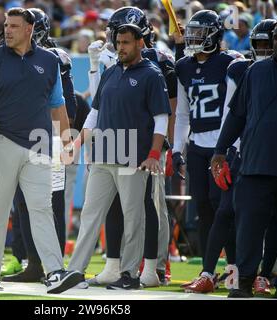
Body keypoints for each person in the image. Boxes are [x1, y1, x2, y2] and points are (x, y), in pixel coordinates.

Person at [0, 7, 82, 293]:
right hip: (1, 142)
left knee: (41, 208)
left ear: (29, 29)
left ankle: (54, 271)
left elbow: (58, 105)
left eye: (14, 25)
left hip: (40, 145)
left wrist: (66, 142)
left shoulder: (48, 61)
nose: (8, 30)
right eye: (6, 25)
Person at [68, 23, 171, 290]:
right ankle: (75, 271)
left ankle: (130, 274)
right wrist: (80, 142)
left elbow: (161, 119)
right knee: (91, 214)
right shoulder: (110, 72)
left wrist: (153, 154)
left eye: (126, 42)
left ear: (139, 44)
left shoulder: (152, 74)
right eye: (118, 42)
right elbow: (95, 112)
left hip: (133, 157)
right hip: (103, 154)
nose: (120, 47)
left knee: (133, 216)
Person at [181, 19, 277, 294]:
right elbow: (230, 113)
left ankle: (264, 273)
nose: (264, 49)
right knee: (224, 211)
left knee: (275, 217)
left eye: (268, 44)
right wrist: (224, 150)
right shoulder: (240, 68)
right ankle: (211, 273)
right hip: (242, 151)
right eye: (259, 44)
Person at [211, 18, 277, 299]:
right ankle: (244, 283)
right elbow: (236, 115)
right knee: (248, 229)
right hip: (254, 166)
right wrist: (220, 150)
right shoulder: (255, 71)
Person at [1, 7, 78, 283]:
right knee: (23, 203)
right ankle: (34, 264)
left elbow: (67, 106)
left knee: (50, 204)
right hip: (21, 137)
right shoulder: (12, 57)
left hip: (50, 139)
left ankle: (53, 266)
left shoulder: (55, 59)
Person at [172, 10, 242, 262]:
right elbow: (182, 114)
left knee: (221, 206)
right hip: (198, 145)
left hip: (222, 145)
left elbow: (237, 110)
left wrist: (230, 146)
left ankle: (234, 266)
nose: (193, 38)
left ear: (214, 34)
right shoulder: (183, 67)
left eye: (199, 33)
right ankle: (206, 269)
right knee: (202, 206)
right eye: (191, 33)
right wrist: (177, 149)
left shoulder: (231, 62)